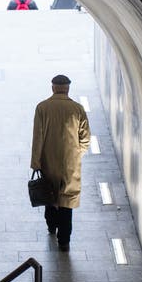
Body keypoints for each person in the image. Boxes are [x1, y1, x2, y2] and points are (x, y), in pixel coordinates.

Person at [30, 74, 90, 251]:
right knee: (66, 201)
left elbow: (38, 137)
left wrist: (36, 162)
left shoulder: (42, 107)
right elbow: (85, 138)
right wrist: (77, 153)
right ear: (68, 88)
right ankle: (64, 241)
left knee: (49, 195)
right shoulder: (77, 109)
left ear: (53, 87)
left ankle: (51, 226)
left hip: (48, 161)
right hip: (70, 164)